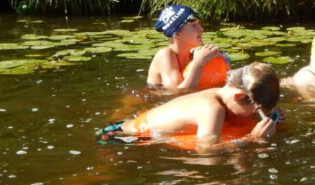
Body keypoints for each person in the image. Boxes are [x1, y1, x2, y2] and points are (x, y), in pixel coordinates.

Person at [99, 62, 280, 149]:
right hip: (117, 137)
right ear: (239, 96)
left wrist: (272, 119)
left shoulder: (218, 94)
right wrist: (252, 138)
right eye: (256, 112)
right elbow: (206, 152)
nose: (254, 116)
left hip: (123, 128)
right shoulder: (211, 109)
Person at [147, 5, 228, 90]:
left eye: (198, 24)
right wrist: (198, 62)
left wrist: (225, 61)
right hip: (156, 97)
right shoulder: (165, 55)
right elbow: (175, 93)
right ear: (177, 34)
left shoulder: (194, 54)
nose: (201, 29)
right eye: (193, 25)